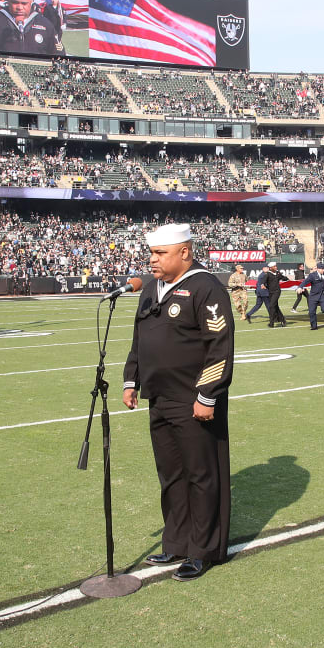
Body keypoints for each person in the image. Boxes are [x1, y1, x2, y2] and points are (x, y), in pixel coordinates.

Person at [122, 224, 233, 582]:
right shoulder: (150, 288)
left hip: (193, 400)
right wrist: (131, 379)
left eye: (160, 254)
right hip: (159, 397)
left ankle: (202, 550)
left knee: (201, 475)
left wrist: (207, 395)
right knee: (171, 474)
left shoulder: (206, 287)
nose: (152, 260)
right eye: (151, 253)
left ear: (184, 252)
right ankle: (177, 540)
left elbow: (220, 346)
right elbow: (140, 339)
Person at [296, 262, 324, 329]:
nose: (322, 270)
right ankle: (314, 326)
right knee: (311, 312)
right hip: (313, 296)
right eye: (321, 269)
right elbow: (305, 281)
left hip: (322, 295)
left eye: (323, 269)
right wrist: (300, 287)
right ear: (317, 269)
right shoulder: (312, 275)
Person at [261, 262, 287, 327]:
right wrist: (262, 285)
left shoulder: (278, 273)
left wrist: (291, 281)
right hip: (270, 292)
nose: (276, 267)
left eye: (276, 266)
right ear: (270, 268)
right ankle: (283, 320)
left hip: (277, 291)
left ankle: (271, 323)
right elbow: (263, 281)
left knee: (271, 306)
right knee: (275, 306)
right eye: (274, 266)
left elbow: (284, 278)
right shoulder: (268, 274)